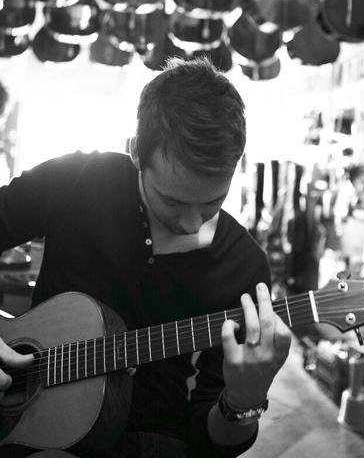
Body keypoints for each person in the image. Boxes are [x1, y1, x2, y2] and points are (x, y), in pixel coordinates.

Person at [0, 58, 291, 458]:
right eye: (172, 201)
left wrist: (242, 403)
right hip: (22, 427)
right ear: (136, 151)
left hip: (155, 442)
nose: (191, 224)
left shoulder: (244, 266)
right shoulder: (76, 179)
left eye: (213, 201)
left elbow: (210, 445)